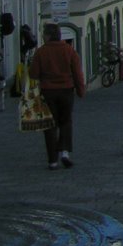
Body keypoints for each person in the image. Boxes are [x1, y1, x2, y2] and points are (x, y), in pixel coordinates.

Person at [28, 24, 85, 170]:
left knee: (50, 125)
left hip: (48, 92)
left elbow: (33, 74)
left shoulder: (41, 52)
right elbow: (77, 73)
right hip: (66, 90)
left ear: (47, 36)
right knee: (66, 121)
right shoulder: (69, 50)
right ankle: (65, 153)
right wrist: (80, 90)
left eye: (44, 35)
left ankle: (52, 161)